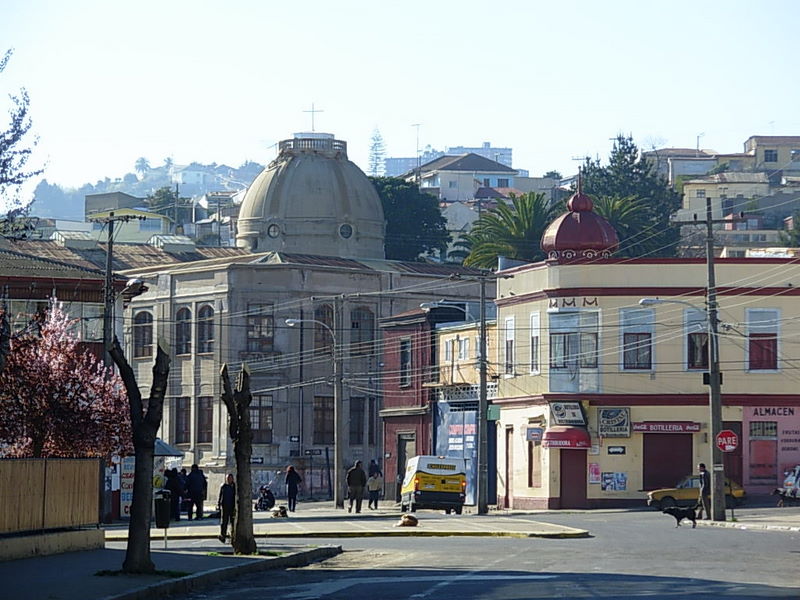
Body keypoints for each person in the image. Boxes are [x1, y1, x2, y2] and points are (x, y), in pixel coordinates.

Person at [217, 473, 236, 542]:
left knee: (232, 521)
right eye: (227, 478)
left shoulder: (234, 487)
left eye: (230, 478)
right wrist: (218, 504)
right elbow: (220, 496)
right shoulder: (223, 486)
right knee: (224, 522)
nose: (228, 480)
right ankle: (223, 535)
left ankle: (233, 535)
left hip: (232, 506)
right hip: (225, 506)